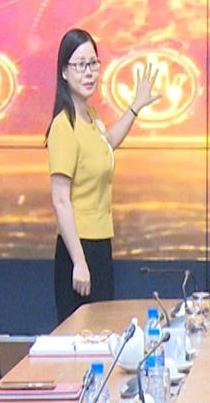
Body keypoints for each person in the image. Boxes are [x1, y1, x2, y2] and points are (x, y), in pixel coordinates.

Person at [47, 29, 159, 324]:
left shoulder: (92, 118)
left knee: (102, 334)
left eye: (93, 64)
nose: (88, 72)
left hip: (100, 244)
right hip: (78, 248)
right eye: (79, 65)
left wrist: (135, 107)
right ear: (64, 72)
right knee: (81, 336)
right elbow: (60, 200)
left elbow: (107, 143)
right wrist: (79, 261)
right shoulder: (64, 126)